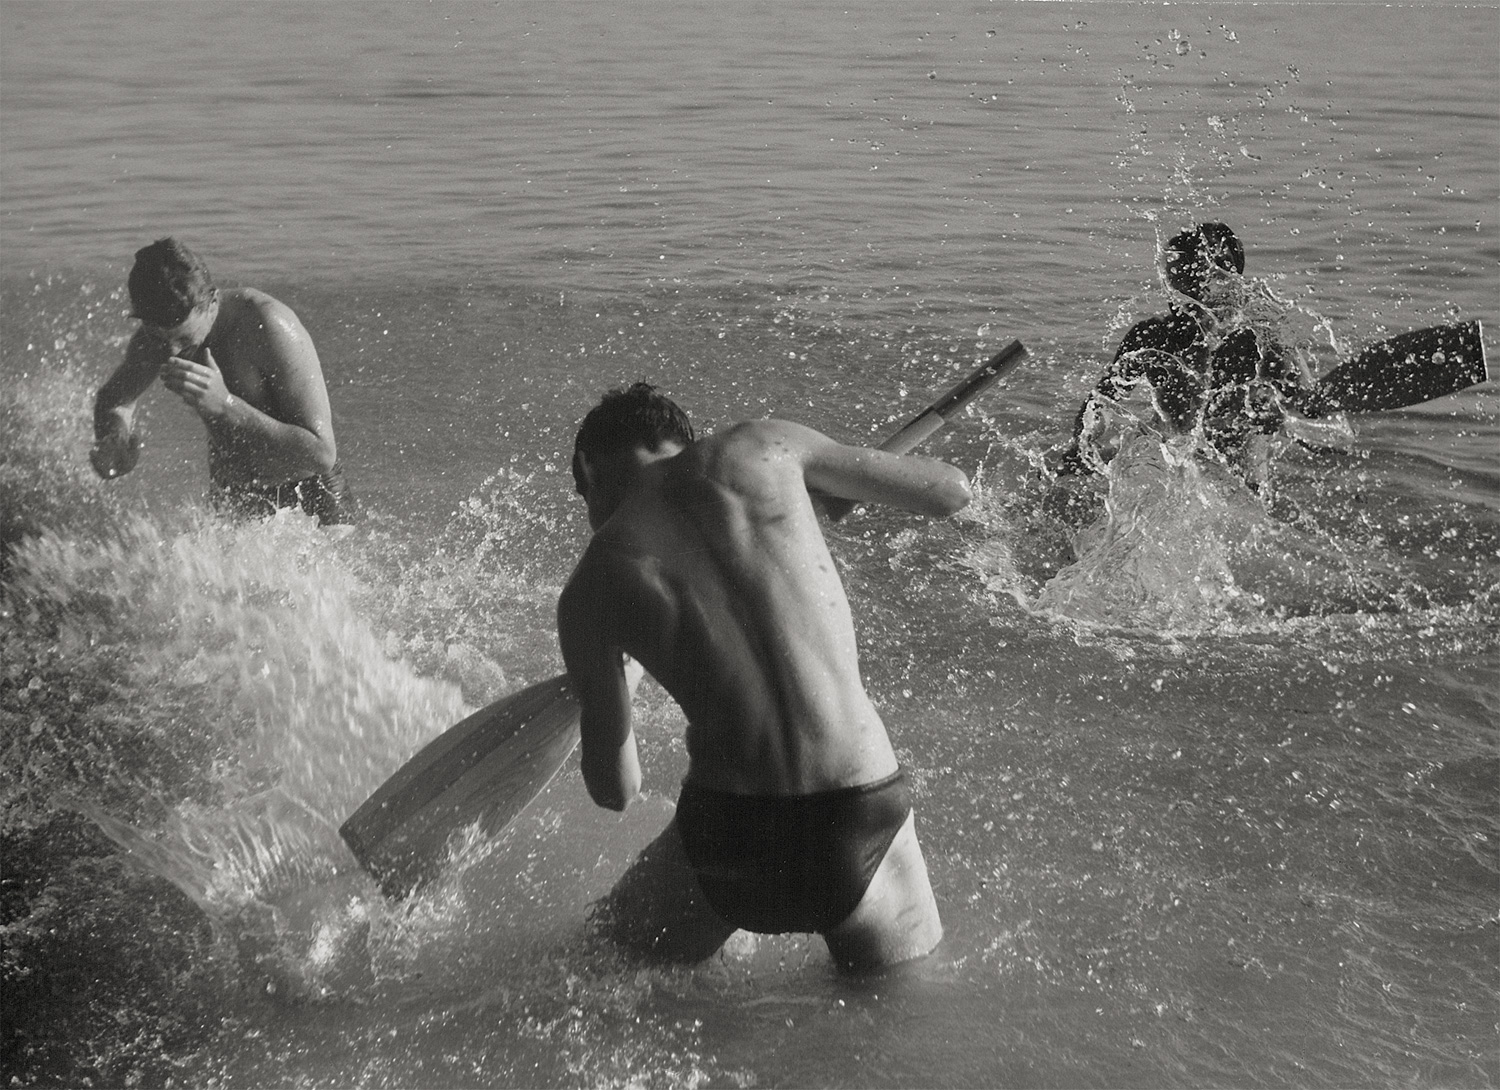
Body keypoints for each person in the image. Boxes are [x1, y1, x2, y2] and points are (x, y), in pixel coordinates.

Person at [557, 383, 972, 971]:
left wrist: (619, 674)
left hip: (729, 836)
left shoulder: (590, 588)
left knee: (597, 963)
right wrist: (824, 484)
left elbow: (616, 791)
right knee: (896, 1011)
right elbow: (950, 492)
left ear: (589, 470)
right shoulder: (765, 447)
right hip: (861, 815)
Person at [90, 238, 354, 524]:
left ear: (212, 302)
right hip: (233, 496)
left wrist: (225, 404)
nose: (172, 352)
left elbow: (321, 454)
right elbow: (114, 400)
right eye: (159, 338)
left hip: (311, 497)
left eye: (184, 339)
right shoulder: (156, 336)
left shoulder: (267, 324)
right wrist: (115, 440)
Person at [1047, 222, 1328, 488]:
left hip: (1238, 480)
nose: (1180, 291)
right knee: (1065, 470)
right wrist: (1084, 444)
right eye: (1175, 278)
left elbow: (1310, 410)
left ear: (1231, 279)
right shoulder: (1152, 337)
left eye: (1194, 278)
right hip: (1165, 465)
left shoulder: (1259, 341)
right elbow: (1099, 403)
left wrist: (1279, 411)